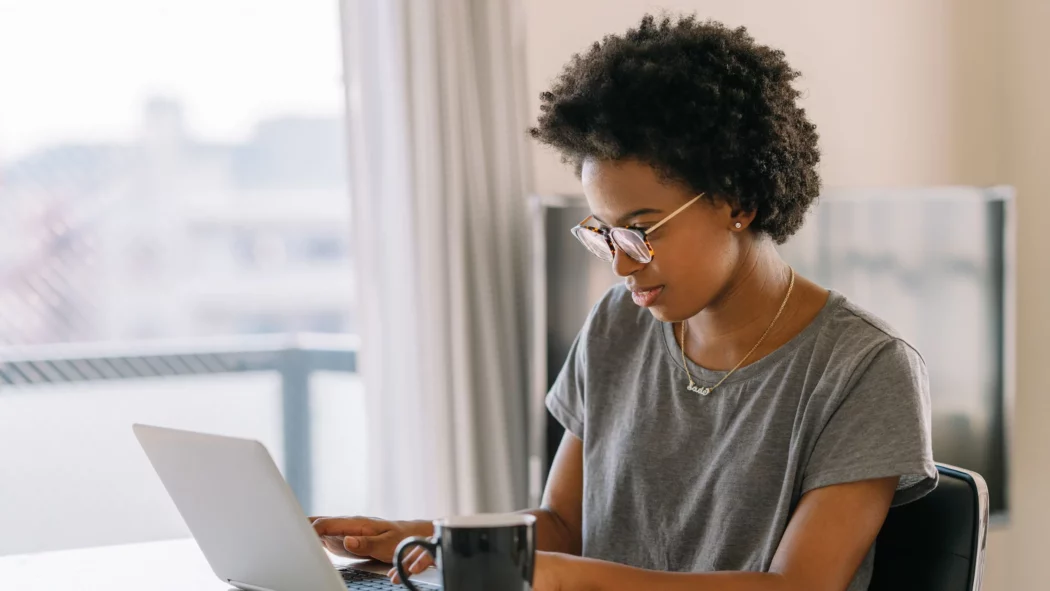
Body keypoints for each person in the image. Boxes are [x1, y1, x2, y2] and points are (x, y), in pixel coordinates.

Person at [312, 14, 936, 591]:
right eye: (604, 233)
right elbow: (562, 524)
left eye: (640, 229)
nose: (620, 261)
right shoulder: (618, 321)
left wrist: (564, 578)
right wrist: (426, 541)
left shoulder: (864, 368)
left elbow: (797, 587)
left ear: (738, 201)